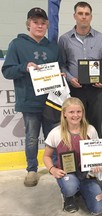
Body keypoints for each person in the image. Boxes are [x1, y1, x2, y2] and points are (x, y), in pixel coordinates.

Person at [2, 7, 60, 187]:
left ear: (47, 25)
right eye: (35, 22)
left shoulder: (53, 47)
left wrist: (60, 75)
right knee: (32, 137)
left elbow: (60, 67)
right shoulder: (17, 44)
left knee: (54, 136)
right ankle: (32, 169)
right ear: (28, 24)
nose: (39, 26)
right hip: (29, 100)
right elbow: (7, 71)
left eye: (43, 23)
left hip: (51, 101)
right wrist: (24, 67)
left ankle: (56, 165)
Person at [58, 1, 102, 138]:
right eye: (80, 13)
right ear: (74, 16)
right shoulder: (64, 39)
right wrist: (70, 79)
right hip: (75, 89)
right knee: (75, 127)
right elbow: (61, 64)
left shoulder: (101, 38)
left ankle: (95, 158)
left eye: (87, 14)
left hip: (97, 90)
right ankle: (77, 158)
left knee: (95, 127)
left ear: (91, 17)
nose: (83, 17)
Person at [43, 97, 102, 214]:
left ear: (83, 113)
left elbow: (97, 154)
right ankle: (69, 196)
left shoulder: (91, 130)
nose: (75, 115)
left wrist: (98, 165)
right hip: (67, 173)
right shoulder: (56, 132)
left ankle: (82, 189)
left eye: (78, 112)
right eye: (71, 112)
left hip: (87, 174)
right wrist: (52, 170)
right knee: (70, 187)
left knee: (98, 209)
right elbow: (46, 156)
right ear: (64, 113)